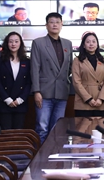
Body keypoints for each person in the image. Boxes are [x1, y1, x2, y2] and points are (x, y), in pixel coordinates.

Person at [30, 12, 74, 143]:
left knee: (58, 128)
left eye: (57, 22)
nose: (55, 25)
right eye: (51, 22)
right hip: (44, 92)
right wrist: (36, 91)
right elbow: (34, 68)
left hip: (62, 91)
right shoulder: (38, 43)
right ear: (46, 25)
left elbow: (70, 66)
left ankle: (54, 154)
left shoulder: (67, 43)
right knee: (42, 128)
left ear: (62, 24)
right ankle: (40, 155)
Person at [0, 31, 32, 130]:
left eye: (16, 41)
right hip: (4, 103)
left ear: (20, 43)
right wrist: (7, 99)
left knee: (18, 132)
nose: (13, 44)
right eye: (10, 41)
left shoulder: (27, 62)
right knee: (6, 132)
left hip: (20, 103)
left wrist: (20, 99)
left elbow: (29, 82)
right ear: (6, 43)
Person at [71, 32, 104, 117]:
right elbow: (76, 82)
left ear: (97, 44)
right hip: (83, 101)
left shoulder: (102, 60)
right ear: (83, 45)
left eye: (93, 41)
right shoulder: (77, 60)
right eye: (88, 42)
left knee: (100, 125)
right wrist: (88, 99)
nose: (91, 44)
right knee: (83, 125)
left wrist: (101, 99)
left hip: (99, 102)